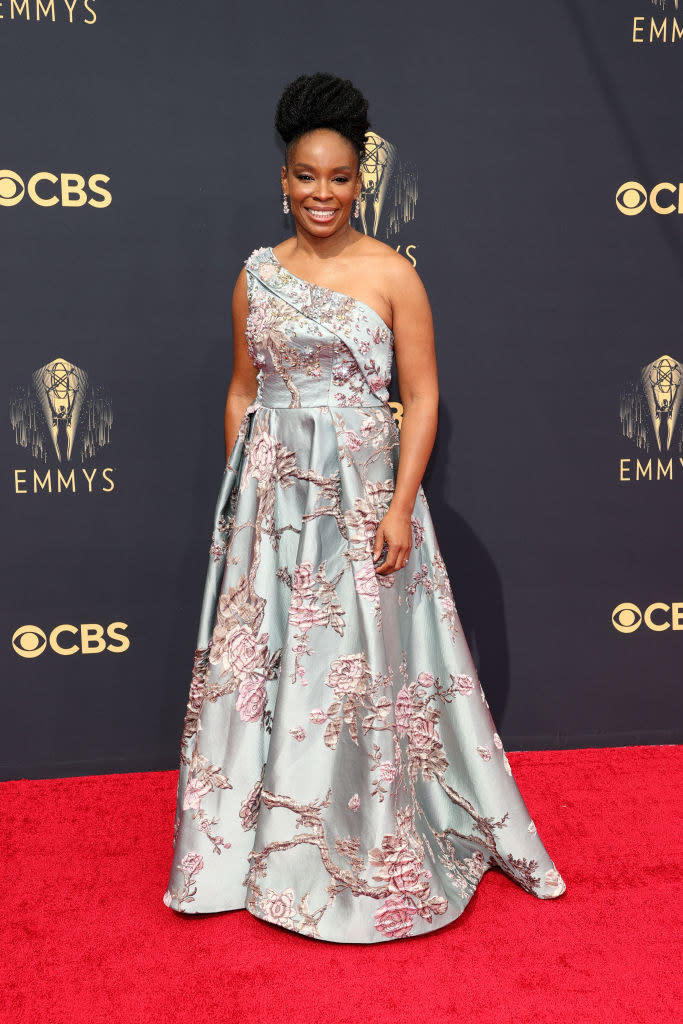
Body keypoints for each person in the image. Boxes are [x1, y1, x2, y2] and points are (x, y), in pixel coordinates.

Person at [163, 71, 566, 943]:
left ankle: (353, 848)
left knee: (350, 675)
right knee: (271, 673)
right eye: (306, 176)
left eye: (339, 178)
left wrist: (396, 502)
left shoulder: (392, 275)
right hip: (273, 510)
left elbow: (418, 399)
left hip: (361, 500)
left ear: (362, 180)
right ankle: (246, 850)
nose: (321, 193)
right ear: (283, 178)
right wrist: (246, 493)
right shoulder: (257, 276)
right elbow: (243, 389)